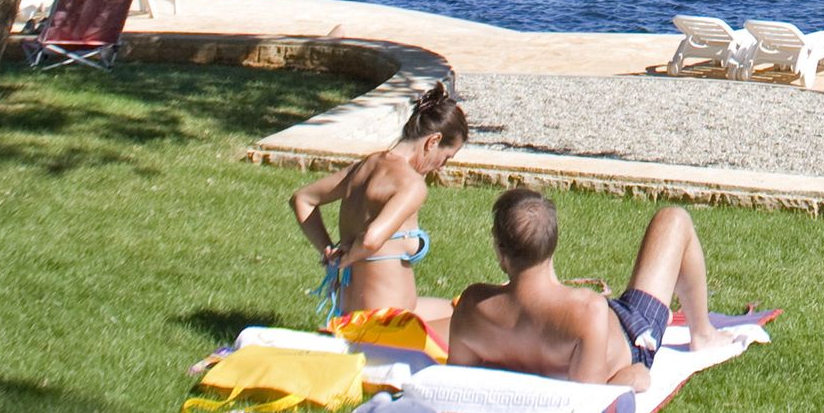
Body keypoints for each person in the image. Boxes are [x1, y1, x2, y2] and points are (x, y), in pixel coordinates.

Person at [448, 188, 717, 390]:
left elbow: (453, 384)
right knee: (674, 219)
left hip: (597, 320)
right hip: (631, 330)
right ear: (552, 243)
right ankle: (703, 334)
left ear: (499, 251)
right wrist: (632, 377)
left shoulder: (471, 306)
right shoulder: (587, 310)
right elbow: (590, 401)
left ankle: (681, 322)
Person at [289, 83, 469, 327]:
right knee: (473, 324)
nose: (441, 167)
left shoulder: (366, 166)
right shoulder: (411, 185)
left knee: (458, 309)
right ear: (433, 141)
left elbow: (303, 199)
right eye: (446, 157)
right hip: (385, 324)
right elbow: (371, 240)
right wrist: (343, 259)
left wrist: (328, 250)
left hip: (349, 313)